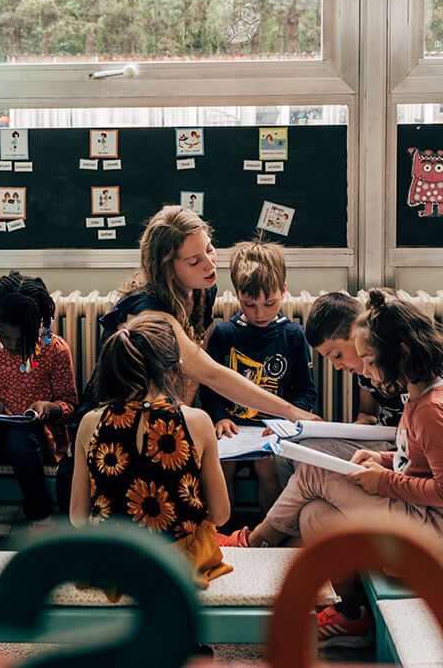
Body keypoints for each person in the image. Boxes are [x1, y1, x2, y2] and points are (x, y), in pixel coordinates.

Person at [221, 290, 443, 649]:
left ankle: (256, 540)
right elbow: (415, 460)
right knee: (315, 515)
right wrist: (384, 460)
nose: (369, 375)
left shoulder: (433, 408)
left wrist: (385, 480)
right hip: (422, 513)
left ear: (401, 353)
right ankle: (351, 615)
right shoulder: (416, 394)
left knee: (314, 474)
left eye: (371, 362)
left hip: (438, 529)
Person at [55, 206, 318, 511]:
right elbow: (211, 373)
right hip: (119, 425)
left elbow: (190, 375)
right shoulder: (148, 310)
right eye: (195, 261)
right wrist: (291, 412)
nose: (209, 265)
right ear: (168, 268)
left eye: (209, 249)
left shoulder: (202, 289)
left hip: (164, 410)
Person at [70, 316, 232, 585]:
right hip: (177, 565)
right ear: (172, 372)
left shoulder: (90, 424)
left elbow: (77, 517)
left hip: (114, 563)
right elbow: (220, 514)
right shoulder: (198, 422)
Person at [303, 291, 443, 482]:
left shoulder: (419, 371)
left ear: (358, 332)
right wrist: (355, 430)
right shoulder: (364, 372)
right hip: (386, 442)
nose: (337, 366)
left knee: (311, 463)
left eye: (337, 355)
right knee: (307, 453)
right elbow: (368, 413)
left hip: (407, 449)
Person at [0, 272, 78, 548]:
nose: (9, 345)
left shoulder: (55, 350)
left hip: (37, 437)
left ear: (39, 329)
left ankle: (41, 515)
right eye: (4, 335)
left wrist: (50, 408)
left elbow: (70, 406)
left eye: (18, 340)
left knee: (19, 437)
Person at [200, 239, 316, 521]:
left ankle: (271, 532)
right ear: (237, 295)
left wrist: (282, 424)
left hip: (271, 430)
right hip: (232, 428)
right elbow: (209, 386)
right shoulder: (224, 334)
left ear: (284, 291)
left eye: (270, 303)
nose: (260, 313)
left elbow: (305, 392)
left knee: (266, 467)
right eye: (249, 304)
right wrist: (219, 418)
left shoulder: (293, 335)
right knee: (221, 466)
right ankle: (222, 533)